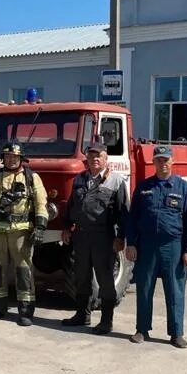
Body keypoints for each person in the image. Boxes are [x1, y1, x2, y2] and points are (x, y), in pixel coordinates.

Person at [124, 145, 187, 348]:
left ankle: (176, 333)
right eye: (158, 160)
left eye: (165, 160)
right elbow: (133, 219)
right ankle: (142, 329)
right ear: (153, 162)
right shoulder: (144, 188)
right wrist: (131, 243)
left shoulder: (183, 188)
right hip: (147, 245)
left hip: (173, 246)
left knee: (175, 290)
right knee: (144, 288)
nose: (162, 163)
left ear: (172, 162)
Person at [0, 139, 48, 327]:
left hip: (21, 231)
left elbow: (41, 203)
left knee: (23, 270)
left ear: (21, 158)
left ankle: (25, 311)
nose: (11, 160)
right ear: (3, 158)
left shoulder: (32, 178)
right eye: (7, 156)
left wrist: (40, 227)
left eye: (15, 156)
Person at [61, 141, 129, 334]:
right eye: (91, 156)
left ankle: (106, 321)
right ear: (87, 159)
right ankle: (82, 315)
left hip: (103, 238)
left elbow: (124, 212)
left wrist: (121, 237)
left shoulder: (115, 181)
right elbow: (72, 207)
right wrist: (66, 227)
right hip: (81, 237)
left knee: (105, 280)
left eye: (98, 156)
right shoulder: (79, 180)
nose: (95, 159)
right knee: (81, 278)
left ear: (106, 159)